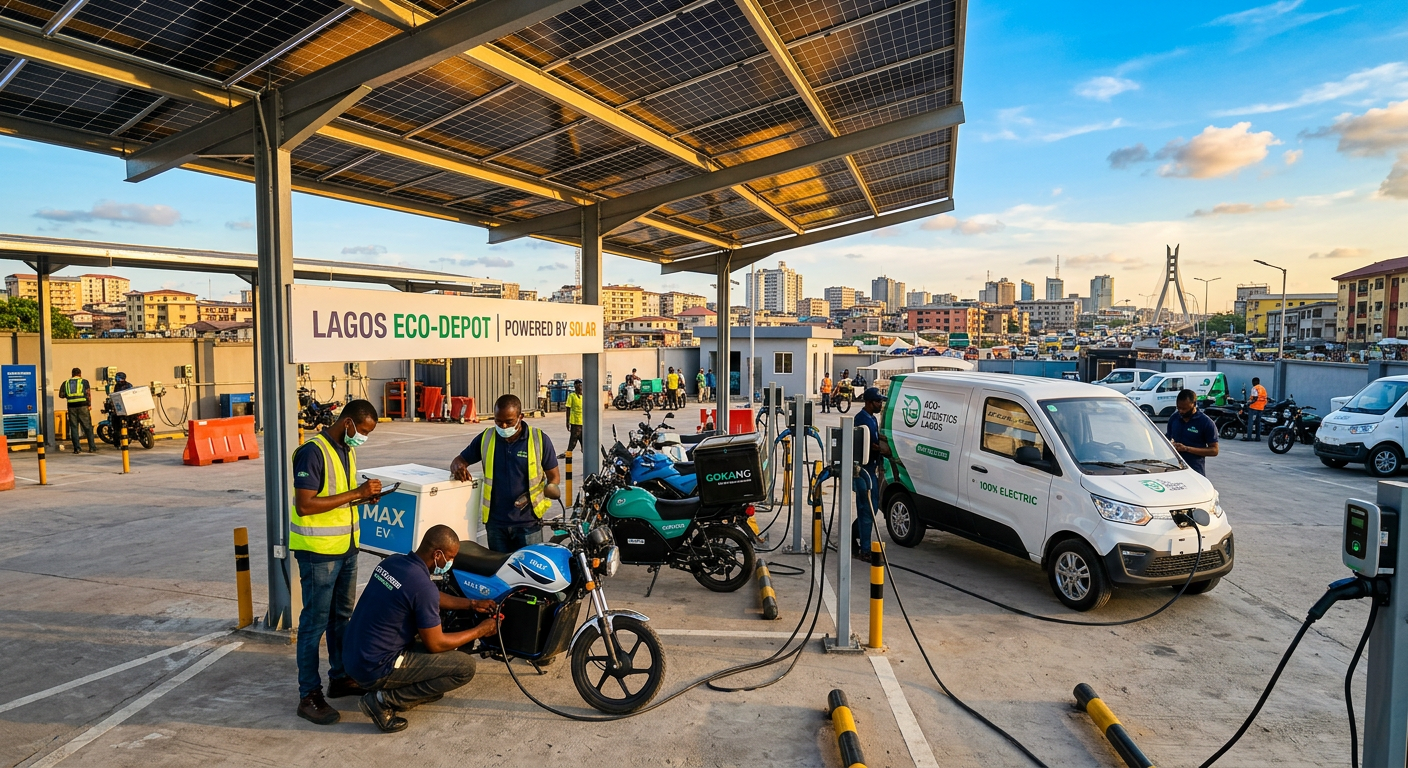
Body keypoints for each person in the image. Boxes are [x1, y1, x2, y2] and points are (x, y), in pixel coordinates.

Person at [344, 525, 499, 733]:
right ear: (437, 554)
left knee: (437, 668)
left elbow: (428, 595)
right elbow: (436, 644)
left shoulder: (394, 562)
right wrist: (480, 630)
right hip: (375, 667)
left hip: (353, 656)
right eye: (450, 557)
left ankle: (397, 689)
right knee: (463, 667)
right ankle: (381, 701)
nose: (450, 563)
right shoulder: (422, 587)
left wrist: (471, 604)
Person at [291, 399, 383, 725]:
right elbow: (305, 505)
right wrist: (357, 494)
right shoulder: (312, 452)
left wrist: (363, 496)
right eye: (364, 432)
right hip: (319, 553)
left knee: (342, 617)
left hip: (346, 547)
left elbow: (340, 494)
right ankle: (308, 695)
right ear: (348, 424)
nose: (364, 438)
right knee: (314, 624)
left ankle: (341, 676)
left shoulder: (346, 448)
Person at [451, 394, 562, 552]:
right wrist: (458, 467)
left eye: (508, 422)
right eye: (498, 421)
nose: (503, 426)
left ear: (520, 417)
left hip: (528, 524)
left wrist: (548, 489)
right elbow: (459, 460)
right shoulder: (486, 438)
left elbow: (554, 477)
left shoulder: (539, 440)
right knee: (499, 573)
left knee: (529, 574)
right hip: (496, 525)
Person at [853, 387, 891, 557]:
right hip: (862, 471)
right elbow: (863, 444)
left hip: (871, 470)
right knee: (867, 508)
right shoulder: (860, 420)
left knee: (872, 507)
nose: (880, 404)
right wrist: (880, 449)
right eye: (877, 401)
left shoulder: (873, 419)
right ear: (868, 402)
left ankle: (853, 534)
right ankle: (865, 549)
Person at [1167, 389, 1219, 476]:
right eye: (1178, 408)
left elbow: (1214, 450)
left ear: (1194, 404)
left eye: (1184, 408)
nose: (1181, 411)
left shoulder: (1206, 423)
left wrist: (1187, 449)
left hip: (1195, 472)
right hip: (1174, 470)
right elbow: (1167, 438)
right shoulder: (1174, 418)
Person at [60, 367, 96, 454]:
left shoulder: (66, 383)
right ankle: (92, 447)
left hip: (71, 407)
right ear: (80, 374)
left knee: (74, 428)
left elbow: (61, 395)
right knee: (87, 427)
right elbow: (88, 393)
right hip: (83, 406)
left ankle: (77, 449)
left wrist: (70, 396)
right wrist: (89, 404)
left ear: (72, 374)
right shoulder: (84, 382)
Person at [561, 380, 583, 458]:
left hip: (583, 422)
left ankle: (570, 452)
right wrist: (567, 422)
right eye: (579, 386)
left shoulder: (584, 397)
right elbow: (568, 409)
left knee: (581, 439)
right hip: (575, 422)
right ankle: (568, 453)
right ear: (575, 387)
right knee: (573, 439)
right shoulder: (572, 396)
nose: (580, 388)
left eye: (581, 386)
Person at [1243, 377, 1269, 442]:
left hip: (1253, 407)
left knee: (1250, 422)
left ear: (1254, 382)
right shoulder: (1263, 388)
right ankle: (1258, 437)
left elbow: (1255, 398)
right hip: (1261, 407)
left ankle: (1249, 437)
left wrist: (1248, 403)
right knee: (1258, 422)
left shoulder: (1255, 388)